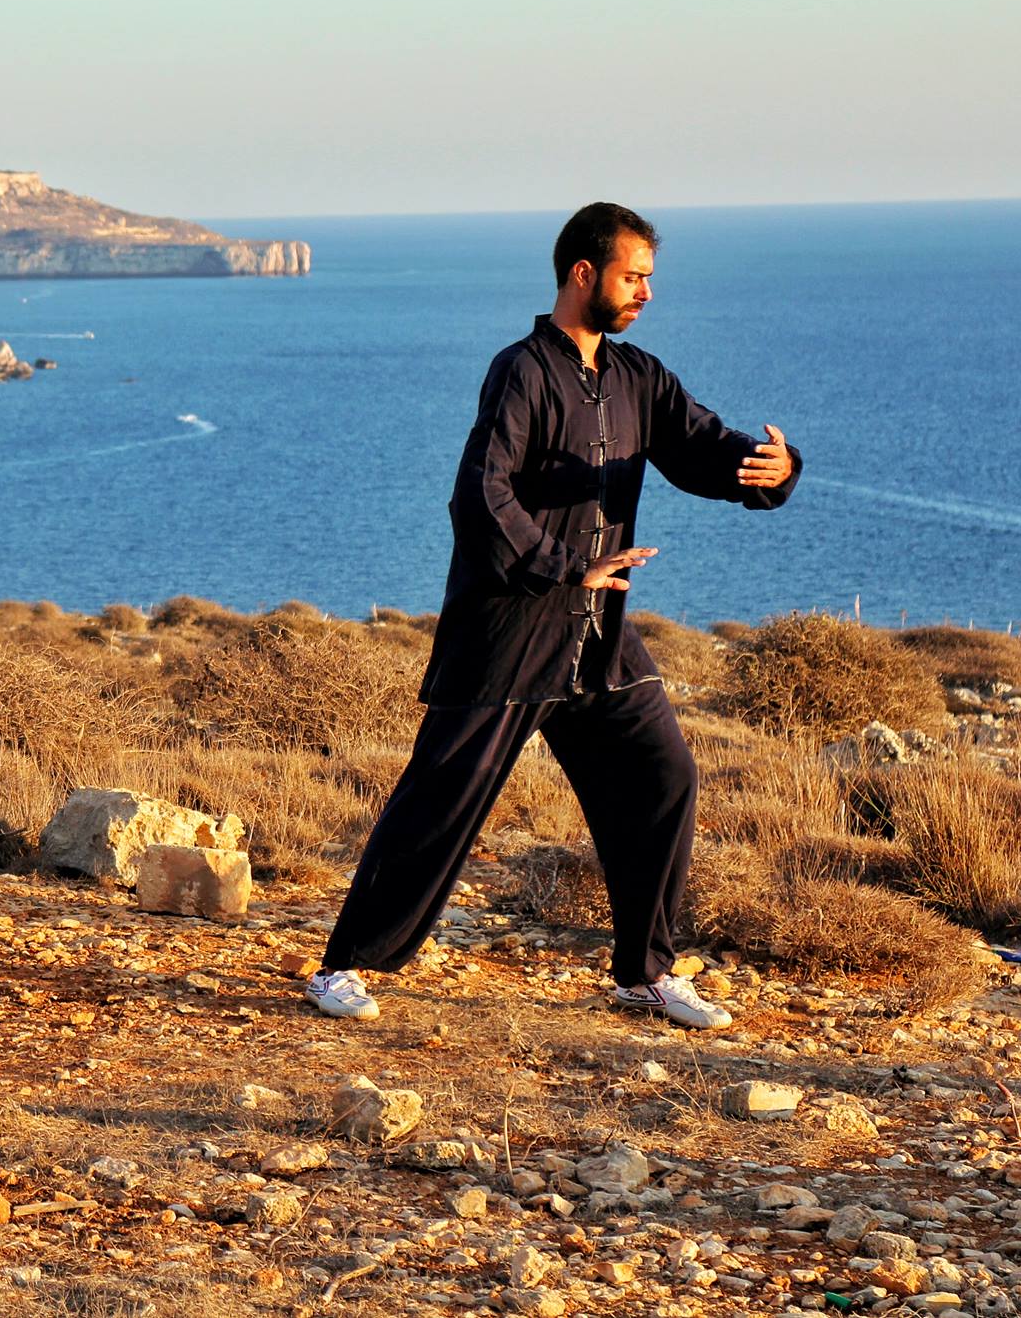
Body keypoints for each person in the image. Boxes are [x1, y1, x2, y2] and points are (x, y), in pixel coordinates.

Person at [306, 203, 800, 1029]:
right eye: (633, 277)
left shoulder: (640, 377)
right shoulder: (522, 372)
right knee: (442, 799)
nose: (646, 292)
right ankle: (342, 966)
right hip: (509, 634)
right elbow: (481, 493)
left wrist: (771, 467)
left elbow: (702, 448)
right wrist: (566, 566)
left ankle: (645, 973)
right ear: (583, 273)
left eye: (649, 278)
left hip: (599, 639)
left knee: (663, 778)